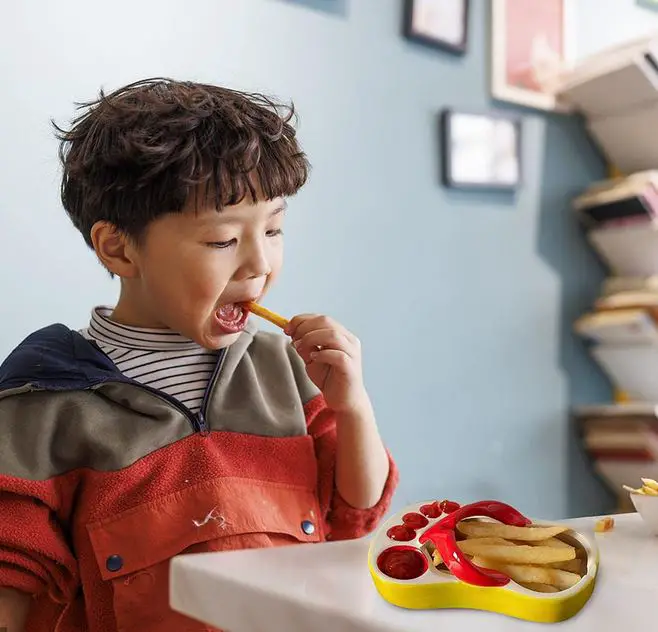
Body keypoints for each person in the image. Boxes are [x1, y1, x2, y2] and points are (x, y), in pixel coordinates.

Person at [0, 78, 397, 631]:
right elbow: (12, 588)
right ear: (118, 248)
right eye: (222, 241)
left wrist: (354, 409)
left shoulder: (285, 367)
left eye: (275, 229)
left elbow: (353, 512)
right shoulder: (40, 404)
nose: (260, 263)